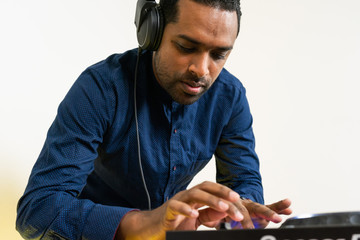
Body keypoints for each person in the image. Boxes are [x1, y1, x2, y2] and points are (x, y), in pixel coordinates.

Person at [16, 0, 292, 239]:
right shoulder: (100, 88)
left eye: (219, 54)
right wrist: (143, 223)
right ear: (153, 32)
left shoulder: (230, 97)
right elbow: (38, 209)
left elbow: (244, 180)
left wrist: (235, 212)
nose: (202, 69)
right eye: (186, 46)